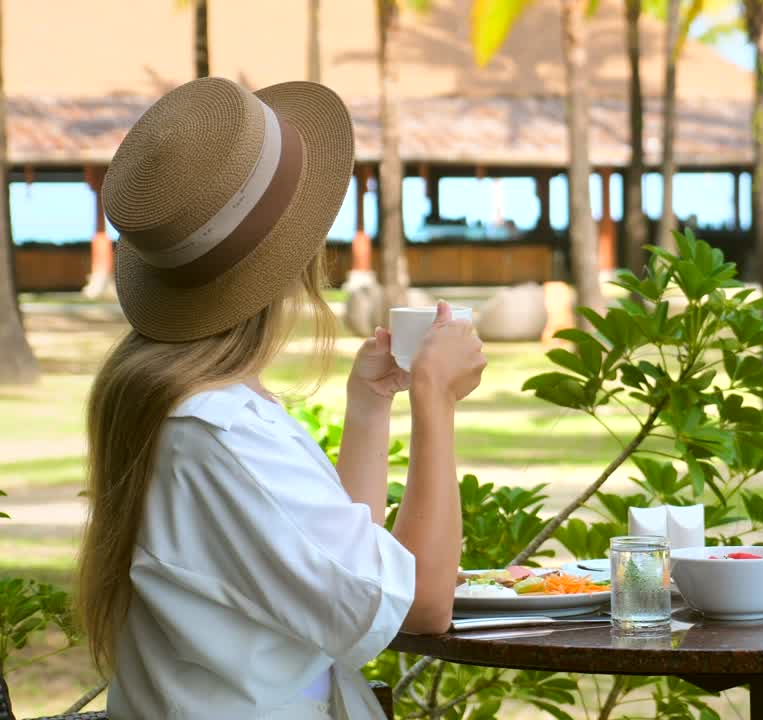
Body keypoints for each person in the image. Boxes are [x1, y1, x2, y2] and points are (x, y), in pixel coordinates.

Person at [76, 78, 486, 719]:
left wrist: (370, 406)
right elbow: (426, 604)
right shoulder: (223, 436)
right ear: (299, 263)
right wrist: (434, 401)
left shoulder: (182, 407)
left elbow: (339, 567)